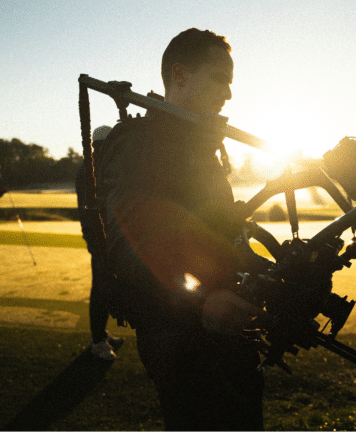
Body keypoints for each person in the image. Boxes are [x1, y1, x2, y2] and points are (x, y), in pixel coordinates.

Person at [96, 28, 267, 431]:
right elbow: (131, 245)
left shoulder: (199, 149)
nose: (228, 94)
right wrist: (204, 298)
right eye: (219, 79)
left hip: (223, 339)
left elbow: (218, 237)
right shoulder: (141, 143)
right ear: (179, 75)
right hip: (182, 341)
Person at [75, 125, 124, 361]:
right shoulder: (91, 169)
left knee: (103, 287)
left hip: (105, 236)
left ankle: (101, 334)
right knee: (101, 289)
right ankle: (97, 341)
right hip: (100, 237)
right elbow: (89, 210)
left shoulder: (97, 165)